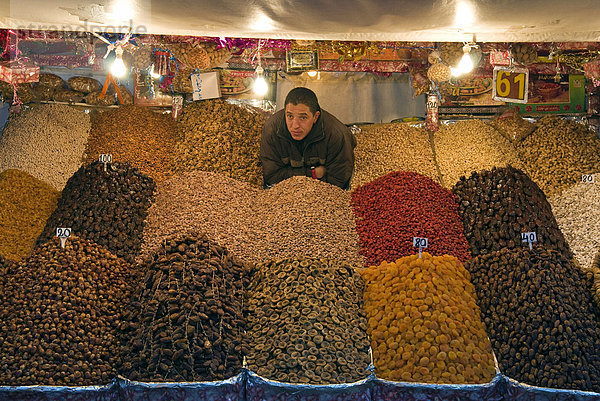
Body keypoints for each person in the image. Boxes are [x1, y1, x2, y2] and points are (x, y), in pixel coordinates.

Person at [260, 87, 356, 190]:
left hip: (322, 201)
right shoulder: (272, 130)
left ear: (315, 117)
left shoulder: (337, 135)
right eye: (290, 116)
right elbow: (271, 176)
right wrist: (313, 173)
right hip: (283, 197)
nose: (295, 125)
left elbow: (338, 181)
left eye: (303, 117)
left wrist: (308, 197)